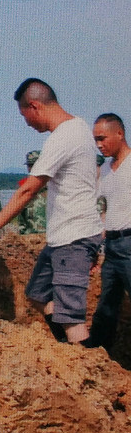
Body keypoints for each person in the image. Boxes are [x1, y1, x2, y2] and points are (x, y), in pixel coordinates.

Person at [0, 79, 104, 344]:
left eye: (24, 116)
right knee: (38, 294)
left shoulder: (64, 136)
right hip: (62, 238)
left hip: (74, 238)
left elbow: (28, 189)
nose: (27, 123)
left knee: (71, 317)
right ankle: (67, 349)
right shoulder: (78, 128)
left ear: (34, 106)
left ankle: (85, 366)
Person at [86, 113, 131, 353]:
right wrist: (97, 246)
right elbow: (104, 211)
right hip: (113, 248)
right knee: (106, 306)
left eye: (102, 138)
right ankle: (98, 359)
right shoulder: (104, 170)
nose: (99, 145)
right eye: (95, 140)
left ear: (119, 134)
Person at [15, 151, 47, 234]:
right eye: (29, 165)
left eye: (34, 165)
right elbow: (21, 215)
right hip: (30, 237)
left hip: (50, 236)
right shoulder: (24, 187)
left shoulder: (53, 186)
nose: (31, 168)